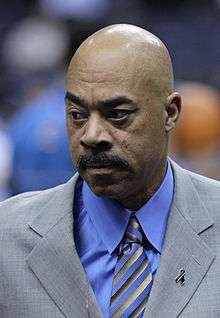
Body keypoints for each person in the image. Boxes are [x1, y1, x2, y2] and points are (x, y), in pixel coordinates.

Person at [0, 24, 219, 318]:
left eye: (117, 115)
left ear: (170, 113)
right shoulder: (6, 238)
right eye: (77, 115)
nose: (91, 136)